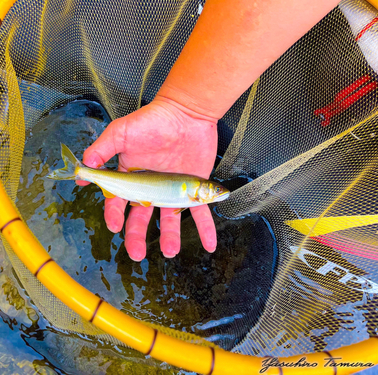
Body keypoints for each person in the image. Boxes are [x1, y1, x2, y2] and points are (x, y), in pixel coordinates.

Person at [77, 0, 341, 262]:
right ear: (201, 190)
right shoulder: (193, 192)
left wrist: (188, 109)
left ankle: (83, 172)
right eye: (214, 191)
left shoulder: (193, 192)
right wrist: (187, 110)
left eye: (214, 192)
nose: (219, 194)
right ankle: (82, 171)